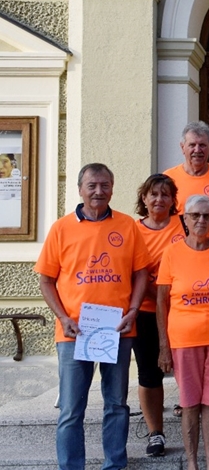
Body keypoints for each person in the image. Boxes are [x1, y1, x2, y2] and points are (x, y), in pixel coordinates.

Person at [36, 163, 149, 470]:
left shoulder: (127, 226)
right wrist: (63, 318)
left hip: (118, 330)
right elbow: (45, 280)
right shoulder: (61, 228)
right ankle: (71, 467)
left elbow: (141, 274)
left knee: (116, 404)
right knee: (72, 409)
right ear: (80, 189)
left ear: (112, 188)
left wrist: (134, 310)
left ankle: (115, 464)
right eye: (92, 186)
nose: (99, 191)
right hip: (74, 332)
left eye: (105, 185)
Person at [156, 195, 209, 470]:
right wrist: (164, 346)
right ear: (184, 219)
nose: (201, 220)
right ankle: (192, 464)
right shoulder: (172, 252)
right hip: (183, 340)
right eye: (195, 216)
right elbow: (161, 302)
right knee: (189, 403)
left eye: (207, 216)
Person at [133, 173, 186, 457]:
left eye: (165, 194)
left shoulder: (184, 225)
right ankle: (156, 432)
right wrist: (157, 296)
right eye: (153, 194)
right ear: (144, 198)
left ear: (173, 200)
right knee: (149, 373)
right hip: (145, 311)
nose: (159, 199)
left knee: (189, 371)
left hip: (182, 311)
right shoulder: (133, 230)